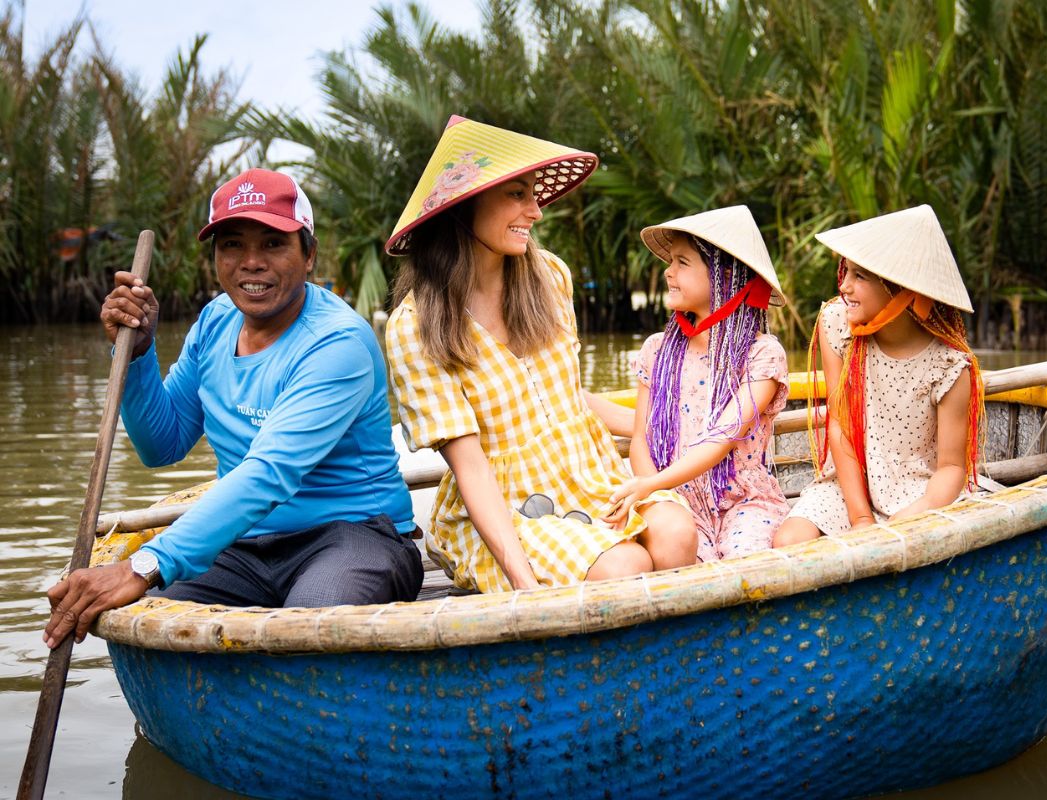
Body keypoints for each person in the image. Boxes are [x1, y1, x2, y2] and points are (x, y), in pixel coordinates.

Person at [43, 168, 422, 649]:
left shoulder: (337, 342)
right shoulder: (215, 321)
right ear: (216, 259)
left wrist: (143, 563)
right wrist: (136, 353)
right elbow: (162, 444)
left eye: (272, 244)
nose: (251, 263)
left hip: (350, 535)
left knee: (308, 628)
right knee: (152, 615)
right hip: (243, 544)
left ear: (309, 255)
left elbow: (270, 471)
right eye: (232, 245)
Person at [385, 115, 697, 593]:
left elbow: (563, 397)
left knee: (677, 537)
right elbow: (471, 468)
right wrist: (526, 585)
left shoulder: (549, 277)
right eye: (518, 194)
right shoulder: (417, 327)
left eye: (535, 194)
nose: (537, 211)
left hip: (588, 474)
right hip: (501, 506)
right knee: (624, 567)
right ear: (464, 204)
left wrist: (663, 428)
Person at [773, 205, 984, 545]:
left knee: (903, 543)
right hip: (847, 484)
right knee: (789, 541)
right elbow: (839, 423)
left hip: (918, 490)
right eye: (846, 272)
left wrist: (913, 514)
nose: (844, 285)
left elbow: (951, 469)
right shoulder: (836, 325)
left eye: (861, 276)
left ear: (900, 289)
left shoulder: (949, 366)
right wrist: (860, 518)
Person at [602, 207, 791, 561]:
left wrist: (652, 484)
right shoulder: (657, 351)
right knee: (684, 556)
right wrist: (656, 496)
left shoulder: (762, 355)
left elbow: (722, 439)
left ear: (723, 276)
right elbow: (641, 437)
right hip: (678, 499)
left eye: (682, 263)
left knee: (743, 557)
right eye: (670, 261)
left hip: (743, 500)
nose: (667, 272)